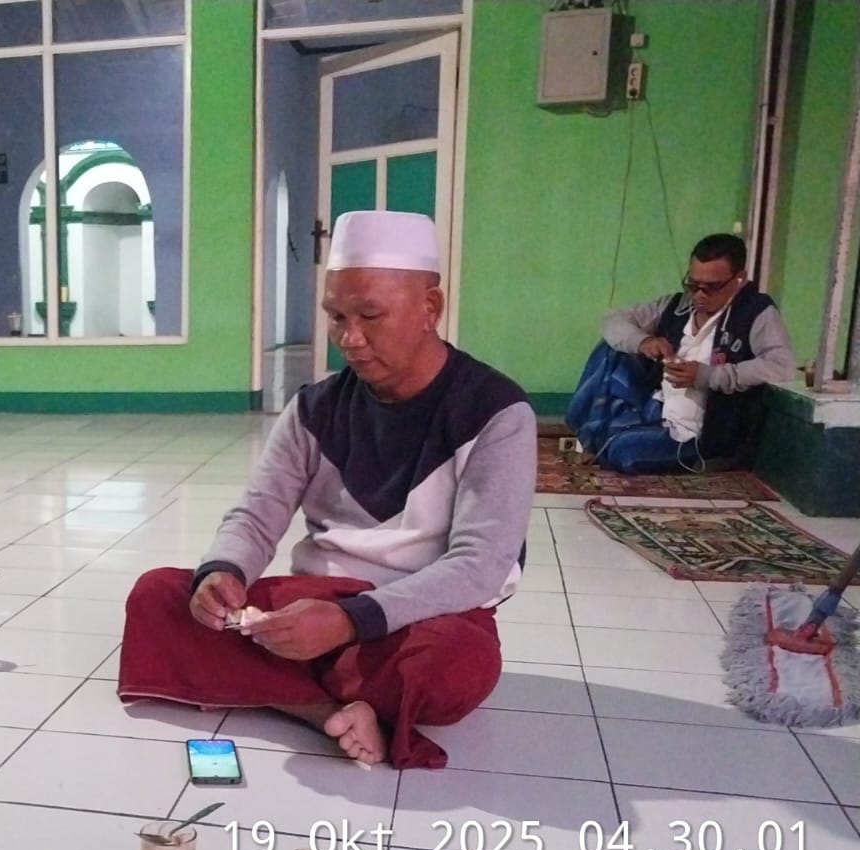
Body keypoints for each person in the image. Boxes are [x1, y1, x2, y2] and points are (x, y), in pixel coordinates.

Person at [117, 210, 536, 769]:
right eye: (336, 317)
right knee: (158, 597)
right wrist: (225, 572)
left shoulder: (494, 412)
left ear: (430, 307)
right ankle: (324, 712)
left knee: (455, 666)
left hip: (418, 614)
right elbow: (257, 514)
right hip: (314, 603)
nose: (349, 339)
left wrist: (351, 621)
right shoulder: (314, 408)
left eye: (370, 316)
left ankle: (280, 682)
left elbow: (479, 566)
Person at [588, 233, 795, 473]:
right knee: (610, 350)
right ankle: (605, 435)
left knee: (622, 451)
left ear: (739, 279)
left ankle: (699, 458)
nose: (699, 295)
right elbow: (612, 321)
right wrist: (644, 341)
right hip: (659, 410)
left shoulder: (756, 312)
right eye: (693, 285)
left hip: (703, 431)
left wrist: (709, 376)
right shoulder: (679, 305)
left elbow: (782, 366)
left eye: (712, 287)